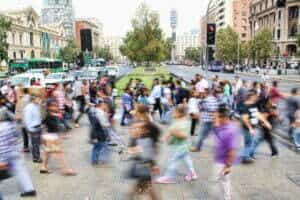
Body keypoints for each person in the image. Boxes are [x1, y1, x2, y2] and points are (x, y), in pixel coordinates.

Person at [0, 95, 37, 197]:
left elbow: (1, 146)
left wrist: (2, 160)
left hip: (5, 155)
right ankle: (29, 189)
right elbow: (18, 135)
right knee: (21, 170)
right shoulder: (10, 125)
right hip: (15, 151)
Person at [155, 105, 197, 184]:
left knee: (173, 161)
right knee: (186, 159)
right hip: (183, 146)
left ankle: (169, 177)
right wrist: (165, 137)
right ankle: (192, 173)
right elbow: (170, 131)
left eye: (174, 112)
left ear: (180, 113)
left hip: (179, 147)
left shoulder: (183, 122)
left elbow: (184, 135)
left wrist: (174, 133)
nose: (172, 113)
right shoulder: (179, 121)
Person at [40, 100, 76, 176]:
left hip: (50, 137)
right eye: (54, 106)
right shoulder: (49, 116)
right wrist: (61, 135)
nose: (56, 107)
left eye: (56, 105)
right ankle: (66, 169)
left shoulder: (53, 115)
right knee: (59, 153)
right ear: (49, 107)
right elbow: (53, 127)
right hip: (51, 137)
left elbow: (44, 125)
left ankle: (43, 167)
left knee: (47, 153)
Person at [127, 121, 161, 200]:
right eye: (134, 127)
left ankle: (135, 194)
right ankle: (136, 193)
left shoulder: (147, 140)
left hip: (145, 167)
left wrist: (154, 165)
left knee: (147, 187)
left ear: (146, 131)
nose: (135, 129)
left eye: (138, 128)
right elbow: (130, 151)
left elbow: (149, 155)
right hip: (139, 167)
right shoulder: (135, 138)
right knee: (144, 187)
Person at [211, 104, 239, 200]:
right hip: (220, 159)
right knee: (224, 181)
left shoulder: (229, 130)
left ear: (224, 117)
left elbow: (232, 151)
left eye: (218, 116)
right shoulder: (222, 125)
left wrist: (228, 166)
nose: (216, 118)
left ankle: (225, 197)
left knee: (216, 181)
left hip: (222, 162)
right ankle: (227, 197)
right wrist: (216, 122)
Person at [239, 90, 272, 163]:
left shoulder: (253, 104)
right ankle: (245, 157)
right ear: (251, 97)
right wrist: (250, 128)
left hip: (253, 127)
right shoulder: (245, 106)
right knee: (249, 143)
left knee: (250, 142)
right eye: (255, 96)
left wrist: (266, 122)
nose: (257, 97)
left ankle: (247, 156)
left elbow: (257, 114)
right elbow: (244, 118)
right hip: (247, 128)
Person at [23, 95, 42, 163]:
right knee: (35, 144)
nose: (39, 100)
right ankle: (36, 158)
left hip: (38, 126)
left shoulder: (36, 106)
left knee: (37, 143)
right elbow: (27, 119)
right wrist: (30, 129)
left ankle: (36, 157)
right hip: (33, 127)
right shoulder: (29, 108)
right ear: (33, 100)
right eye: (38, 99)